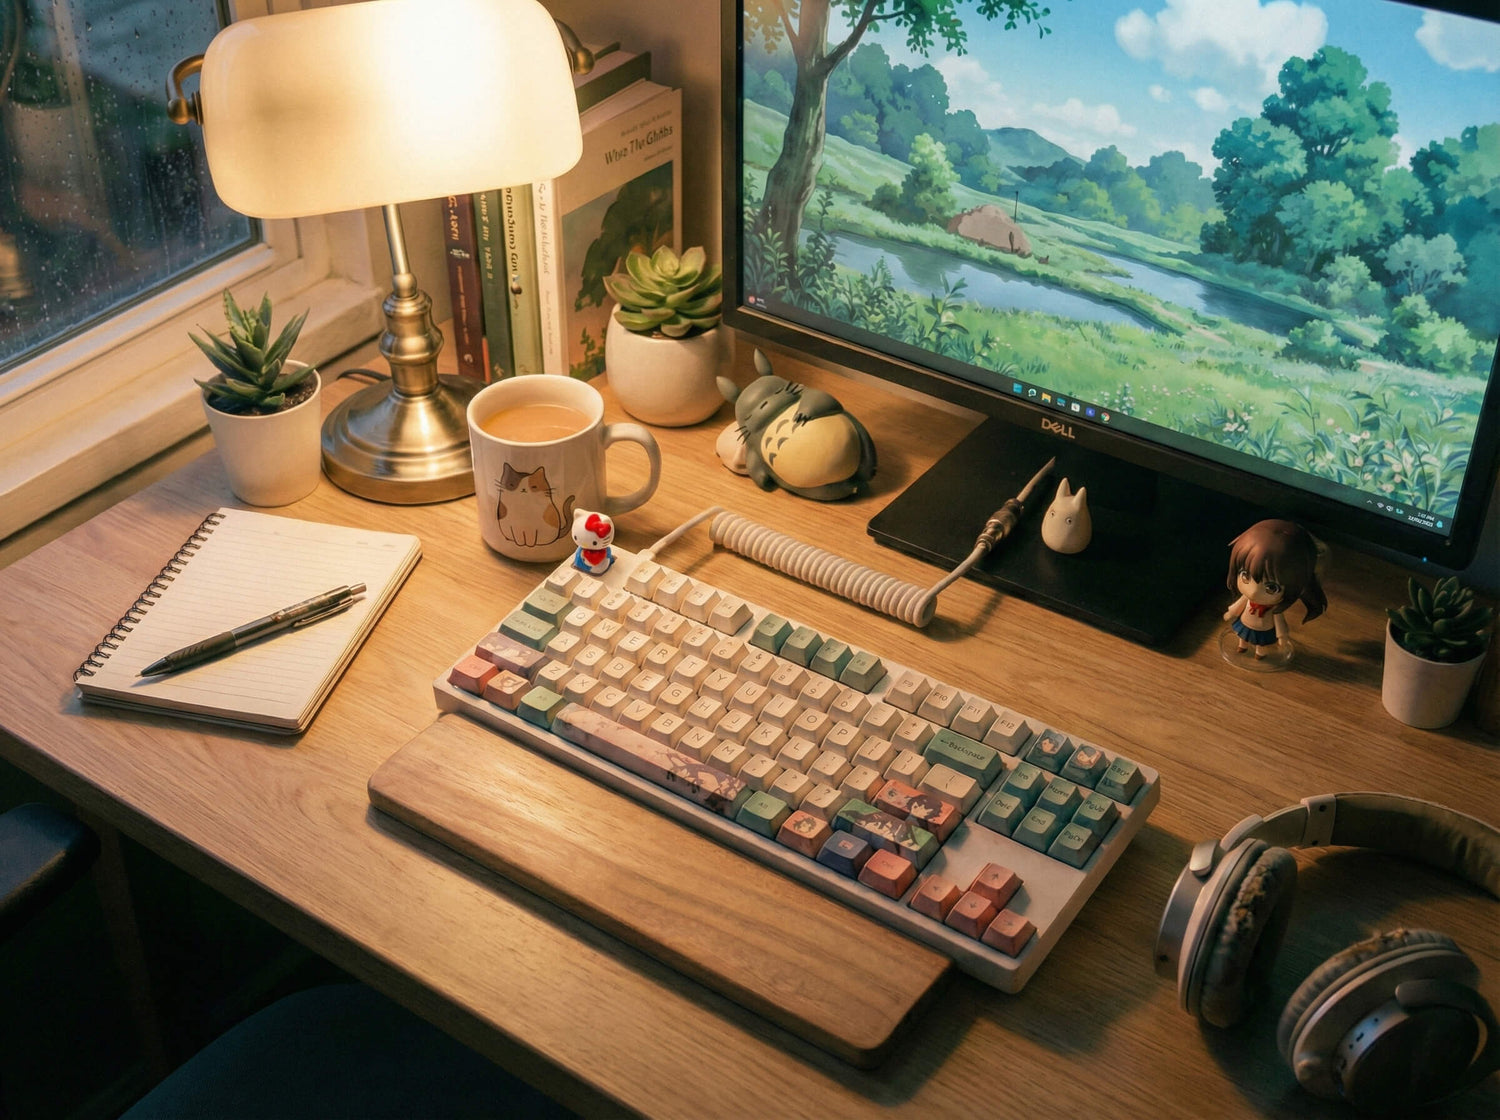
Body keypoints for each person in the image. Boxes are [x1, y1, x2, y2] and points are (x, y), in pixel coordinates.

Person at [1223, 519, 1327, 659]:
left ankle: (1260, 653)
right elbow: (1238, 606)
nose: (1253, 591)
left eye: (1271, 587)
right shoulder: (1248, 599)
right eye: (1245, 576)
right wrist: (1231, 613)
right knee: (1242, 636)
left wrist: (1282, 637)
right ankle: (1242, 646)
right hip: (1245, 623)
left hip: (1263, 628)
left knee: (1261, 643)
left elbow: (1280, 624)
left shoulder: (1274, 609)